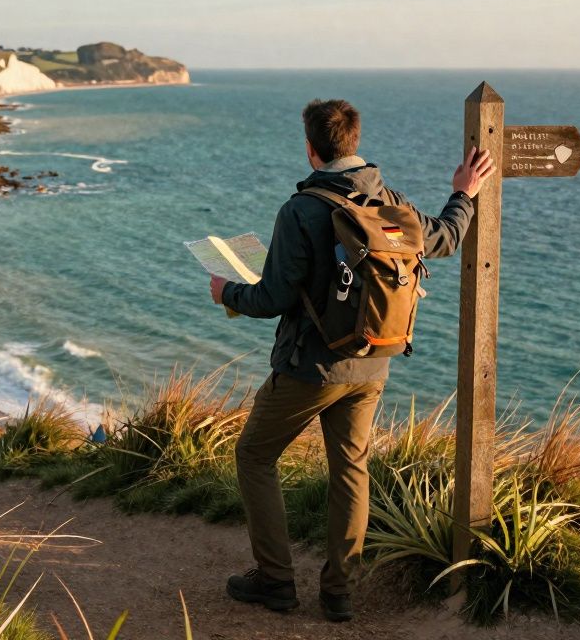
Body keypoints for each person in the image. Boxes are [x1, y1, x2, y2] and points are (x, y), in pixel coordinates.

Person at [209, 99, 496, 622]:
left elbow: (271, 298)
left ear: (311, 148)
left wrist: (226, 290)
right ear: (354, 142)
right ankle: (339, 592)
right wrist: (463, 192)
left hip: (309, 369)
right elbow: (447, 239)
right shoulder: (390, 201)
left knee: (253, 456)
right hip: (373, 362)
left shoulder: (301, 209)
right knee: (350, 470)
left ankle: (275, 579)